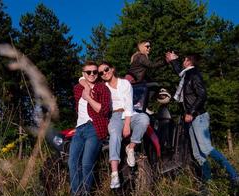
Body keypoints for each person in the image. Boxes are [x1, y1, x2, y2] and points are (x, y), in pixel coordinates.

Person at [166, 52, 239, 187]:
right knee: (198, 154)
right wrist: (173, 61)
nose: (182, 61)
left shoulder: (194, 75)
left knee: (205, 149)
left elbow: (202, 95)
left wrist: (190, 112)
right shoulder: (187, 74)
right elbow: (180, 73)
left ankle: (234, 175)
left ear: (188, 62)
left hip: (198, 117)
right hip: (192, 118)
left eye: (184, 60)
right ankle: (208, 184)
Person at [97, 61, 149, 189]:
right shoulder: (103, 87)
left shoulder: (124, 83)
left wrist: (126, 124)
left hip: (129, 112)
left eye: (106, 69)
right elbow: (84, 79)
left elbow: (128, 105)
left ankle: (131, 147)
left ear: (112, 69)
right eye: (101, 72)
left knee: (144, 119)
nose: (104, 73)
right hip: (114, 116)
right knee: (114, 134)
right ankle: (114, 174)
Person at [68, 61, 111, 196]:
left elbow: (103, 110)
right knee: (72, 162)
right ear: (83, 74)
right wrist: (86, 86)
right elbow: (80, 82)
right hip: (79, 129)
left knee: (86, 163)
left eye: (94, 72)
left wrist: (88, 98)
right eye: (88, 72)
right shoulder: (77, 88)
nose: (92, 74)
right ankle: (76, 195)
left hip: (94, 127)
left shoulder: (103, 88)